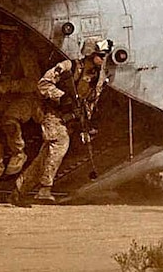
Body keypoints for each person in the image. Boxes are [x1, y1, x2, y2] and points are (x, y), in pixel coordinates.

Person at [9, 37, 110, 205]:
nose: (103, 58)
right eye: (100, 55)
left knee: (45, 156)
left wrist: (85, 124)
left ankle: (19, 190)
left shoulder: (98, 77)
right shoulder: (68, 68)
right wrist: (61, 97)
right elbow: (43, 84)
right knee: (60, 143)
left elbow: (91, 102)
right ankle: (45, 189)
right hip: (52, 114)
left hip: (70, 118)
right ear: (90, 53)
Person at [0, 30, 44, 186]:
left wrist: (10, 86)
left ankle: (18, 153)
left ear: (17, 36)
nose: (6, 39)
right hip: (1, 97)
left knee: (10, 121)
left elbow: (34, 82)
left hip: (25, 96)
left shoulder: (25, 54)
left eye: (9, 36)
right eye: (3, 35)